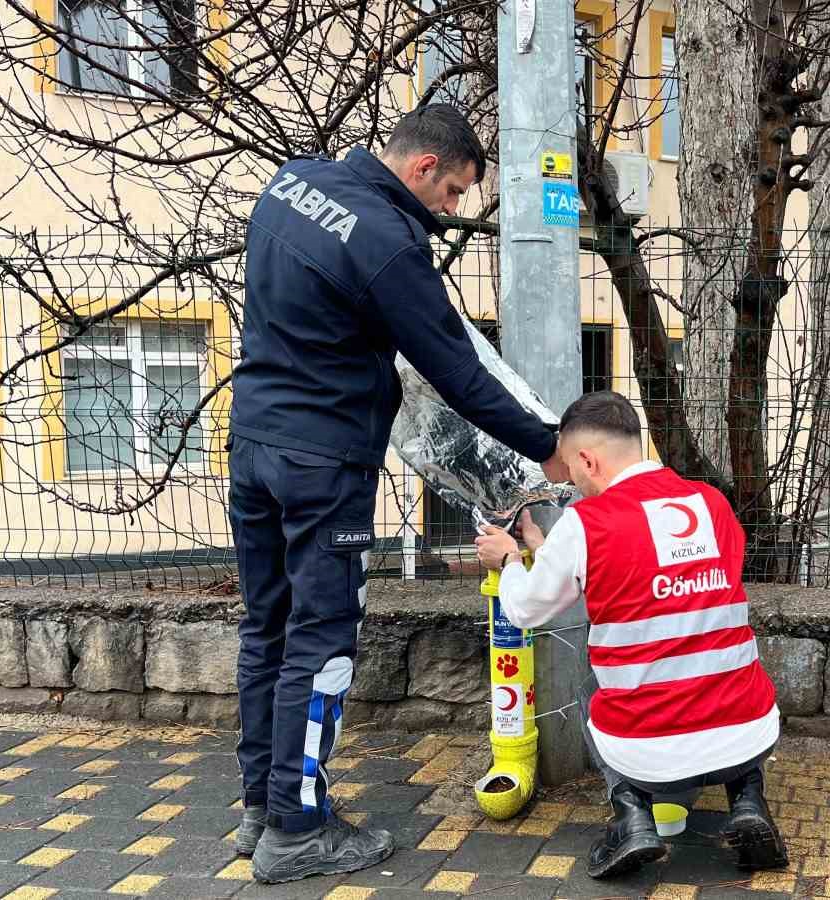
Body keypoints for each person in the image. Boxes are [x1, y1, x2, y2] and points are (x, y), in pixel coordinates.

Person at [227, 103, 570, 885]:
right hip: (323, 464)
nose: (450, 212)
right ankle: (297, 831)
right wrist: (550, 445)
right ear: (421, 170)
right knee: (321, 646)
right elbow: (459, 373)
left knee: (267, 628)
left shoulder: (291, 183)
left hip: (252, 445)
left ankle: (262, 809)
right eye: (451, 193)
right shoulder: (386, 241)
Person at [474, 391, 789, 880]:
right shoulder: (711, 503)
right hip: (749, 729)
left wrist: (511, 559)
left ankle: (632, 816)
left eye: (571, 471)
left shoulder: (587, 522)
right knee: (717, 671)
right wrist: (549, 547)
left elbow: (524, 609)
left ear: (587, 459)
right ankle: (748, 800)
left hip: (647, 742)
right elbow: (656, 581)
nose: (573, 484)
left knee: (588, 688)